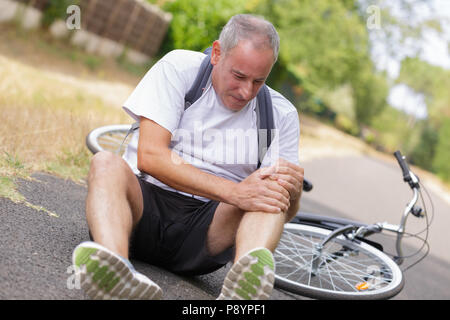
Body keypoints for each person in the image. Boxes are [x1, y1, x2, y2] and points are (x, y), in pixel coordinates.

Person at [72, 13, 304, 300]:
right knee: (105, 162)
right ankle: (115, 271)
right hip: (141, 209)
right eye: (239, 76)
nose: (246, 91)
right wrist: (236, 192)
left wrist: (290, 195)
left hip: (207, 232)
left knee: (270, 194)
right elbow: (151, 157)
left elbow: (282, 211)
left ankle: (242, 295)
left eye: (259, 81)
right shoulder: (180, 68)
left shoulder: (279, 114)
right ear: (217, 53)